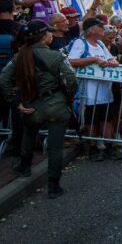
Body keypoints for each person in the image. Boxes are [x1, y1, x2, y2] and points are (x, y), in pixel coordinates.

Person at [0, 20, 76, 198]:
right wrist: (69, 96)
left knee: (29, 132)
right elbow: (71, 79)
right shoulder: (57, 56)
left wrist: (14, 102)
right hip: (56, 104)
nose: (51, 34)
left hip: (31, 105)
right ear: (44, 36)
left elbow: (3, 79)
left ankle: (24, 167)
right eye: (49, 32)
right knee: (55, 148)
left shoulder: (19, 56)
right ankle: (53, 186)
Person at [68, 17, 121, 161]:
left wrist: (113, 62)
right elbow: (71, 60)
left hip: (105, 89)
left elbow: (111, 58)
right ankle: (92, 149)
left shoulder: (100, 44)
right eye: (100, 28)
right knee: (92, 120)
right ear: (91, 30)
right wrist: (93, 60)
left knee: (107, 119)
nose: (103, 30)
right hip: (89, 91)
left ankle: (109, 147)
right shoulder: (81, 43)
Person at [0, 0, 23, 161]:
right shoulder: (19, 29)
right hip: (15, 80)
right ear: (12, 9)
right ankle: (17, 148)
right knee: (17, 113)